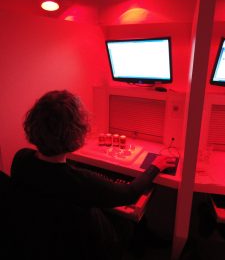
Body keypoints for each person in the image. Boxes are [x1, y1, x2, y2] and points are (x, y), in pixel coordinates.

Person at [10, 90, 177, 260]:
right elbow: (130, 194)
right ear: (75, 133)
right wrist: (154, 167)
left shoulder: (21, 157)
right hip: (87, 245)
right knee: (128, 223)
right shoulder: (79, 181)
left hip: (41, 237)